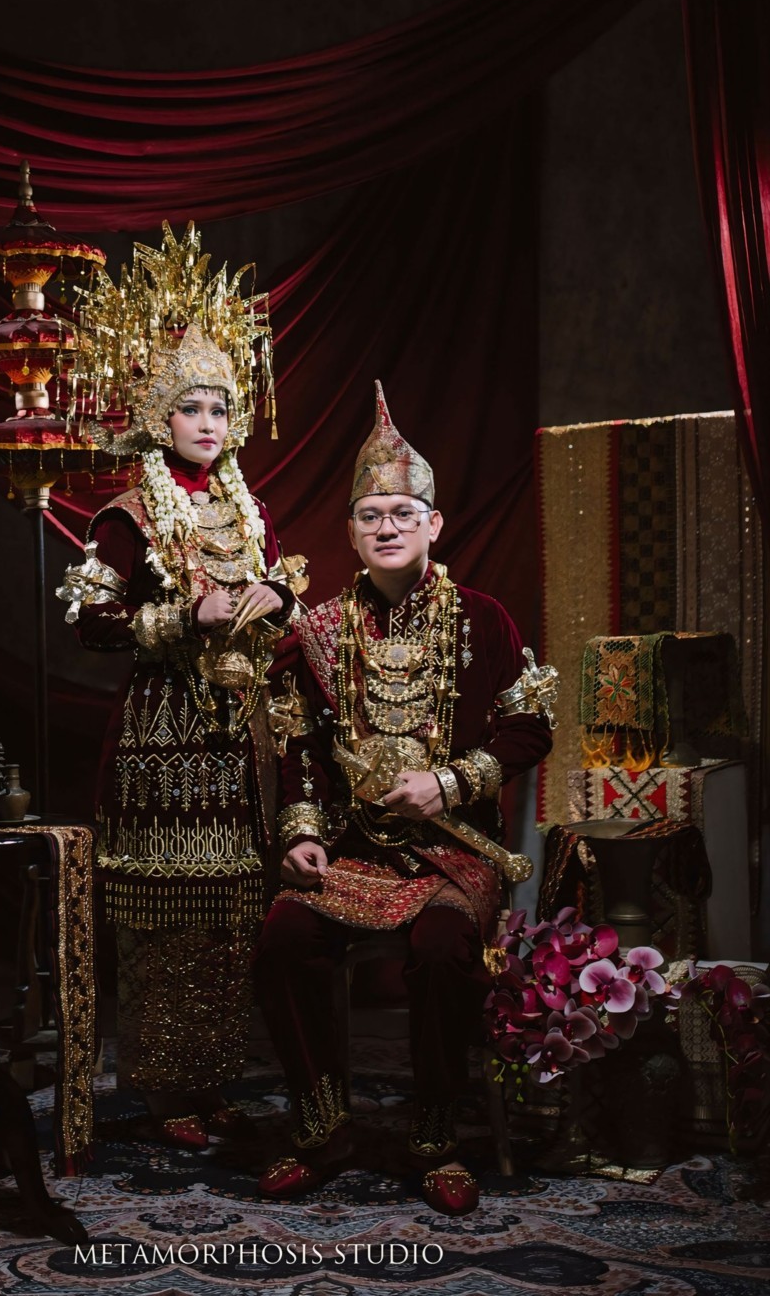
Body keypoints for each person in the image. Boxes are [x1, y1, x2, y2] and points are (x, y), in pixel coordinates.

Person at [252, 382, 556, 1214]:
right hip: (355, 851)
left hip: (455, 853)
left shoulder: (484, 620)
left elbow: (530, 729)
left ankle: (435, 1135)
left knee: (443, 947)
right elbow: (300, 746)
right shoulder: (320, 631)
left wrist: (448, 782)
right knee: (284, 935)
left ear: (433, 523)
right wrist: (303, 832)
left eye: (401, 512)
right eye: (370, 516)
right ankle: (321, 1127)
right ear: (351, 531)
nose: (386, 526)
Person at [58, 317, 301, 1148]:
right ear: (159, 419)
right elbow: (90, 619)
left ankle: (213, 1079)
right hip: (163, 742)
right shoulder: (125, 516)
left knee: (232, 914)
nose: (208, 423)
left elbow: (281, 589)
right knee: (166, 915)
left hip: (241, 734)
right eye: (191, 408)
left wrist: (278, 598)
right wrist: (180, 617)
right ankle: (164, 1090)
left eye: (220, 409)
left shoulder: (249, 508)